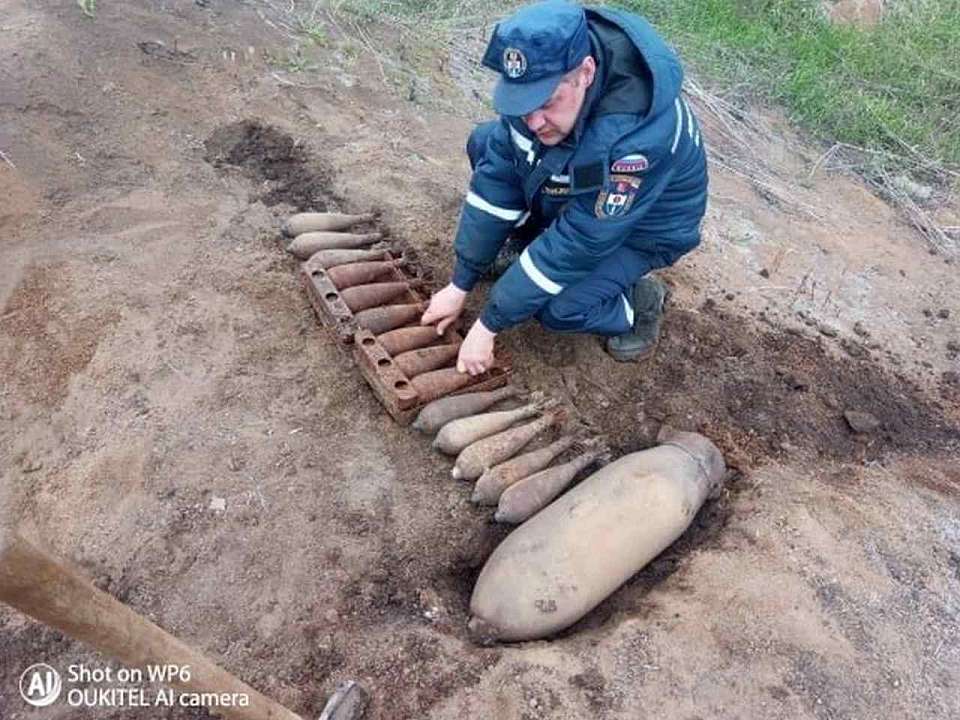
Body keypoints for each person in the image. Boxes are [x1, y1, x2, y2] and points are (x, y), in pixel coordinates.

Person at [420, 0, 708, 373]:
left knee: (558, 308)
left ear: (585, 72)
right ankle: (528, 251)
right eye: (524, 105)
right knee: (487, 142)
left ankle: (638, 301)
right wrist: (461, 281)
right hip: (584, 191)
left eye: (547, 102)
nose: (534, 121)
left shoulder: (636, 142)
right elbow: (499, 180)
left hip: (641, 229)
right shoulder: (537, 93)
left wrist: (489, 324)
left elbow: (583, 240)